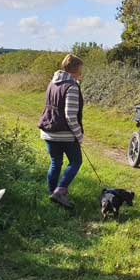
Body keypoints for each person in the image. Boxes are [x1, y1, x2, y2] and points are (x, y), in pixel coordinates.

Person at [37, 54, 85, 209]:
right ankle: (60, 192)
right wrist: (79, 135)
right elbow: (70, 115)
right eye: (80, 69)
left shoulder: (52, 82)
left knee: (55, 162)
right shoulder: (71, 86)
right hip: (64, 134)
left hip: (48, 131)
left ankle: (52, 193)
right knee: (76, 161)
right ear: (75, 69)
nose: (81, 72)